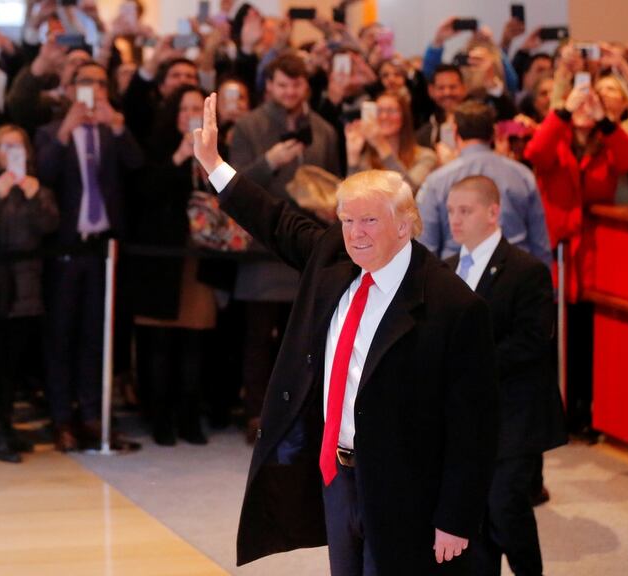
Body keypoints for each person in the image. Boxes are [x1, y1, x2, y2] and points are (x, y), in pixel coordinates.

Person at [192, 92, 498, 573]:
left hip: (406, 489)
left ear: (406, 224)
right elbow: (274, 219)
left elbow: (473, 430)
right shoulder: (333, 260)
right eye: (347, 220)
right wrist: (215, 165)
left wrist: (456, 518)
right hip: (338, 476)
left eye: (370, 221)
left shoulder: (454, 307)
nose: (356, 233)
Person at [444, 176, 567, 576]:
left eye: (465, 211)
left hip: (515, 414)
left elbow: (533, 342)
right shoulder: (444, 270)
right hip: (467, 417)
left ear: (493, 213)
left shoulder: (526, 269)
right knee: (476, 512)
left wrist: (468, 365)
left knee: (505, 505)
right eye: (450, 211)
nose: (455, 220)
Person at [228, 51, 341, 443]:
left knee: (308, 340)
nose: (289, 91)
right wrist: (270, 161)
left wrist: (332, 204)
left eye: (296, 84)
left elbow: (334, 179)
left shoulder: (323, 128)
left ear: (305, 86)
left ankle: (303, 414)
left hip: (310, 246)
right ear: (269, 86)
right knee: (258, 340)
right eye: (281, 84)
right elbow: (233, 185)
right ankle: (257, 415)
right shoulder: (248, 125)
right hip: (263, 248)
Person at [34, 60, 144, 451]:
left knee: (99, 337)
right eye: (85, 83)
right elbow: (43, 173)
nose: (94, 89)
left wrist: (117, 124)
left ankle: (95, 418)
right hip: (65, 248)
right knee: (62, 334)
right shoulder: (51, 131)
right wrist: (66, 131)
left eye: (100, 83)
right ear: (69, 90)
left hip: (103, 249)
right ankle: (63, 418)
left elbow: (137, 166)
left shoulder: (113, 130)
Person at [524, 83, 628, 437]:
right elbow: (535, 152)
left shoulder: (607, 147)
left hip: (593, 255)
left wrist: (605, 120)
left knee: (588, 337)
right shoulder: (554, 142)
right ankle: (555, 412)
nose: (584, 107)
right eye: (579, 101)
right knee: (554, 335)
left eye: (591, 102)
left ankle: (586, 412)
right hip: (557, 252)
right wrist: (561, 112)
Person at [131, 85, 218, 446]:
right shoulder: (155, 146)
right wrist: (181, 156)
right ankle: (160, 417)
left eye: (197, 108)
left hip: (198, 259)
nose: (190, 115)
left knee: (194, 343)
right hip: (162, 261)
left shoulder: (214, 152)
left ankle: (190, 416)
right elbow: (145, 192)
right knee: (161, 343)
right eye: (184, 109)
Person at [0, 124, 58, 463]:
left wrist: (34, 196)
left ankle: (7, 425)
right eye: (5, 147)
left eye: (17, 147)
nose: (11, 153)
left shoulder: (37, 188)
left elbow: (49, 226)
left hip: (27, 285)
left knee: (12, 362)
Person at [418, 101, 552, 263]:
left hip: (458, 279)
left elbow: (426, 249)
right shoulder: (522, 175)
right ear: (494, 134)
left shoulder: (437, 181)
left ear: (455, 133)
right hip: (515, 276)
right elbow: (540, 245)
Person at [345, 91, 439, 192]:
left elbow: (409, 190)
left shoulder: (426, 157)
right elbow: (350, 197)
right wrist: (353, 157)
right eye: (379, 111)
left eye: (391, 111)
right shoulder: (366, 160)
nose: (384, 116)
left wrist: (381, 145)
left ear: (404, 117)